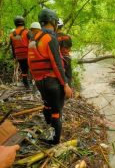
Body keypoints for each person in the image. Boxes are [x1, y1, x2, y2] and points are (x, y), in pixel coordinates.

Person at [28, 8, 72, 145]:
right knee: (56, 112)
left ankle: (49, 128)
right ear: (53, 21)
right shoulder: (50, 38)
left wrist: (37, 80)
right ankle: (55, 141)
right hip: (52, 83)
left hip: (40, 82)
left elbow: (30, 63)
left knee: (47, 106)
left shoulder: (32, 39)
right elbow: (57, 64)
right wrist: (65, 84)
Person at [9, 16, 31, 89]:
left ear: (15, 23)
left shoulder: (12, 34)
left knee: (23, 69)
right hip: (27, 54)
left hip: (18, 55)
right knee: (31, 68)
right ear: (23, 22)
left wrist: (14, 56)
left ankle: (26, 85)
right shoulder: (27, 32)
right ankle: (32, 84)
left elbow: (12, 46)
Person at [57, 18, 73, 86]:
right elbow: (69, 47)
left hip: (58, 59)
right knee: (68, 76)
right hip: (67, 58)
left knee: (60, 77)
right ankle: (69, 92)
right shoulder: (67, 37)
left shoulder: (53, 37)